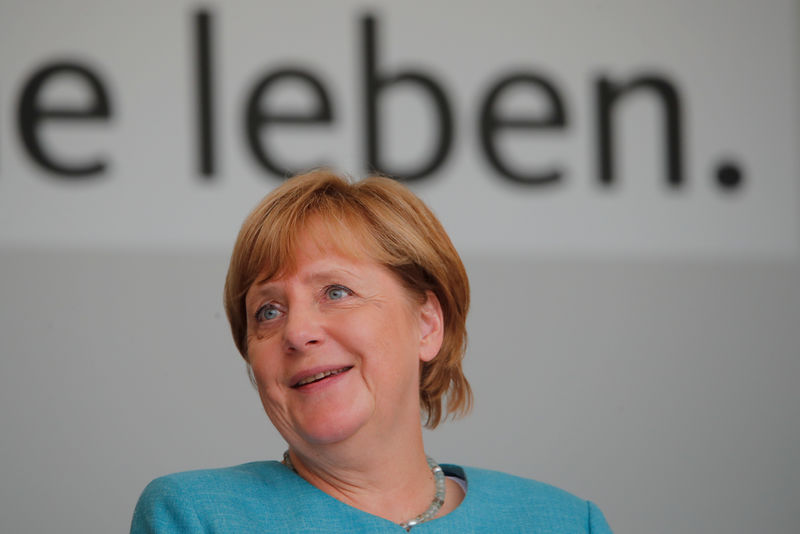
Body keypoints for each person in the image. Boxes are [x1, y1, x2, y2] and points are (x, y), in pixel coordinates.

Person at [131, 170, 612, 533]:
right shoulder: (194, 517)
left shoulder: (569, 523)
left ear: (426, 325)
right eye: (268, 311)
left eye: (336, 292)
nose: (297, 332)